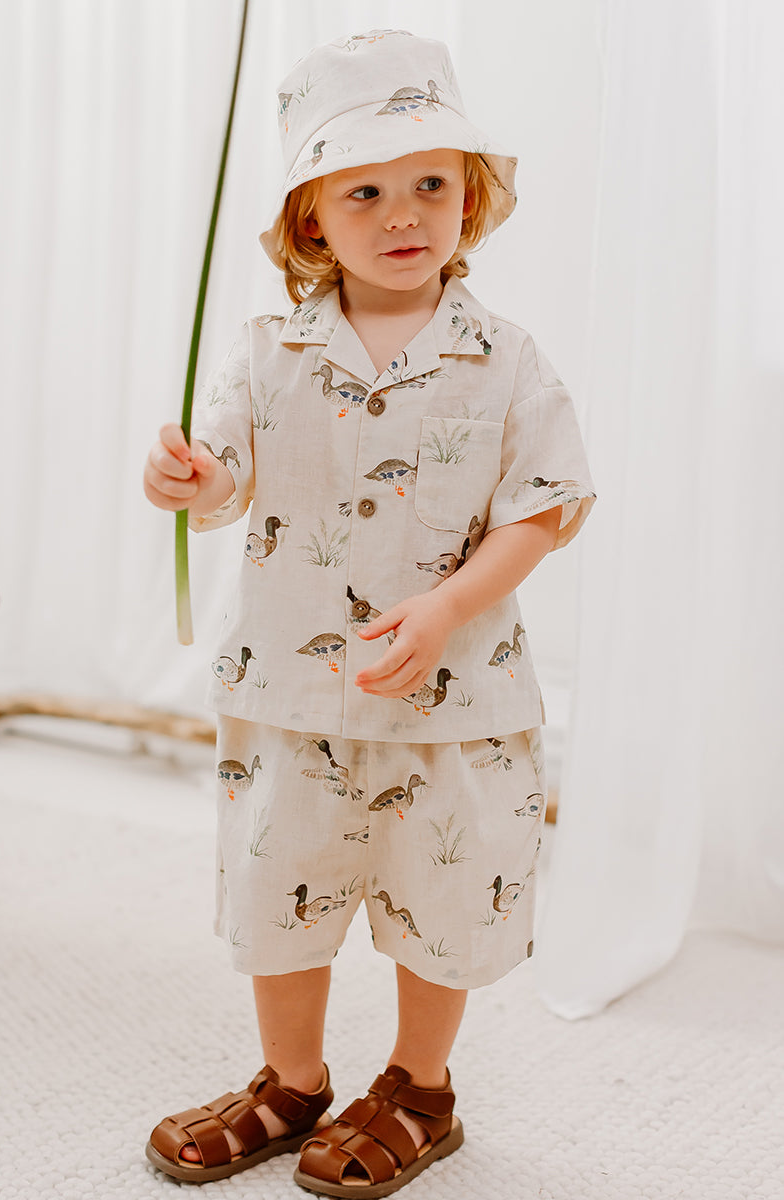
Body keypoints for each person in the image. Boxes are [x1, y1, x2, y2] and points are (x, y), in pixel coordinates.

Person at [142, 29, 595, 1198]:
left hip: (454, 704)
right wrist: (192, 481)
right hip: (292, 697)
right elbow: (226, 477)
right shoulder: (265, 354)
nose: (405, 215)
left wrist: (446, 607)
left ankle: (420, 1088)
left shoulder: (507, 360)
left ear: (471, 196)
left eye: (431, 183)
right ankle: (292, 1082)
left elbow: (544, 509)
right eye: (365, 191)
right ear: (311, 219)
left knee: (441, 900)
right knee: (279, 898)